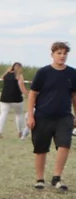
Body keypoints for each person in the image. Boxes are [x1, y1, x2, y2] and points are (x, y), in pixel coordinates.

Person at [26, 41, 76, 191]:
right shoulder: (43, 72)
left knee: (64, 145)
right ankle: (40, 179)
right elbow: (32, 94)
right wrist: (30, 116)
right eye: (59, 53)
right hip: (42, 115)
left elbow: (75, 96)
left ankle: (57, 178)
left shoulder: (72, 73)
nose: (62, 56)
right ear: (52, 54)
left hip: (64, 116)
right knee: (41, 149)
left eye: (64, 53)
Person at [0, 62, 30, 139]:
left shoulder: (6, 75)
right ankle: (20, 132)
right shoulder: (19, 76)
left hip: (4, 98)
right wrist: (27, 95)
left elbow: (2, 77)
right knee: (19, 114)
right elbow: (22, 87)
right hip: (16, 99)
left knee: (3, 114)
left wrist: (7, 71)